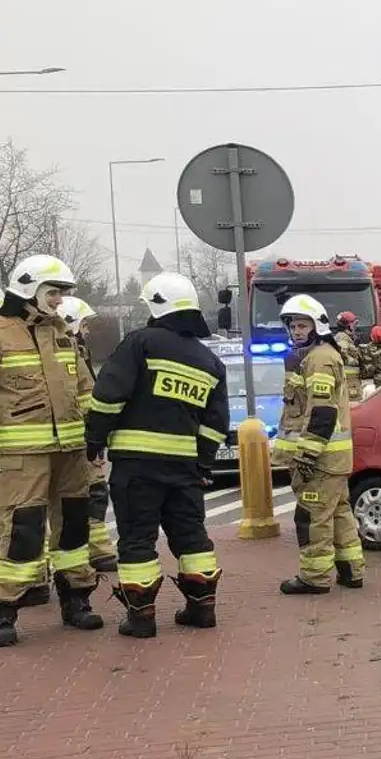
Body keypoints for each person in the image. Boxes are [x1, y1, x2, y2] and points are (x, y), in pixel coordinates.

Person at [87, 272, 229, 639]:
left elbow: (109, 395)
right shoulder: (210, 362)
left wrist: (94, 438)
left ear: (155, 306)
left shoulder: (140, 343)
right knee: (191, 535)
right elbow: (216, 423)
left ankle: (141, 617)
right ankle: (202, 609)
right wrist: (203, 463)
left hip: (137, 465)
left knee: (137, 537)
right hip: (184, 468)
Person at [0, 255, 103, 644]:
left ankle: (77, 601)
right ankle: (2, 612)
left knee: (74, 527)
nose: (58, 301)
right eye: (52, 293)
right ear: (27, 291)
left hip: (71, 453)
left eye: (59, 294)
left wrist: (97, 435)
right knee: (23, 531)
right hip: (21, 458)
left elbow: (86, 390)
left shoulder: (60, 334)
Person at [273, 294, 364, 594]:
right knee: (338, 513)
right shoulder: (313, 356)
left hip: (320, 459)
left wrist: (307, 454)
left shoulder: (319, 359)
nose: (296, 331)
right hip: (332, 459)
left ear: (318, 326)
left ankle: (315, 578)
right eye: (293, 325)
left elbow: (322, 412)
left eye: (302, 324)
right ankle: (351, 571)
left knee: (312, 517)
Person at [56, 297, 118, 577]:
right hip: (75, 440)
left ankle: (98, 550)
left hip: (81, 438)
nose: (88, 331)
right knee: (85, 497)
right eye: (84, 324)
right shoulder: (67, 354)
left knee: (93, 496)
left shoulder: (77, 352)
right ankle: (95, 552)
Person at [331, 310, 363, 394]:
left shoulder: (345, 336)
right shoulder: (342, 337)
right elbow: (342, 352)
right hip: (348, 378)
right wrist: (355, 362)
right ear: (349, 326)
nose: (355, 327)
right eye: (354, 324)